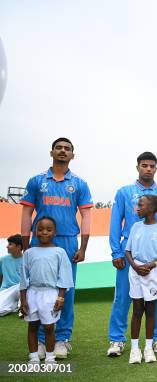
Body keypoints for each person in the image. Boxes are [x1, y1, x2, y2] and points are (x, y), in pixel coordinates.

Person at [21, 137, 93, 359]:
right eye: (59, 148)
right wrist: (26, 244)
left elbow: (86, 214)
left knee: (65, 292)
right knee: (38, 290)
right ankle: (42, 341)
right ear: (51, 152)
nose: (63, 151)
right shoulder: (36, 181)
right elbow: (26, 213)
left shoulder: (79, 183)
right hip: (38, 242)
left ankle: (62, 339)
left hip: (68, 241)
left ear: (73, 155)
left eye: (67, 149)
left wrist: (83, 247)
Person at [107, 152, 157, 357]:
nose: (148, 168)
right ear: (137, 167)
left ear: (156, 168)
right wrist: (116, 252)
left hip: (156, 259)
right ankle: (117, 340)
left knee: (155, 300)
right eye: (144, 165)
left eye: (152, 166)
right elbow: (115, 223)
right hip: (129, 256)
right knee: (123, 298)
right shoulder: (124, 192)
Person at [124, 195, 157, 364]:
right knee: (137, 310)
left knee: (151, 310)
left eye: (141, 205)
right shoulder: (135, 227)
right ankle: (134, 349)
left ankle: (148, 348)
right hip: (136, 272)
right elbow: (128, 251)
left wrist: (153, 264)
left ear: (153, 209)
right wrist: (135, 266)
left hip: (153, 272)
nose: (137, 208)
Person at [19, 216, 73, 365]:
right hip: (32, 293)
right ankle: (34, 358)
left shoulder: (59, 252)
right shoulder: (29, 253)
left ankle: (50, 358)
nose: (44, 232)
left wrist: (61, 297)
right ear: (35, 232)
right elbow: (24, 278)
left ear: (55, 232)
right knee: (33, 326)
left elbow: (65, 276)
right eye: (40, 229)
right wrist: (23, 299)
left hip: (50, 294)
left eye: (49, 230)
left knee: (49, 327)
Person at [0, 234, 23, 316]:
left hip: (22, 289)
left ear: (18, 247)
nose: (7, 246)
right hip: (7, 290)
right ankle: (14, 306)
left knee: (22, 284)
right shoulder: (2, 260)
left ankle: (22, 309)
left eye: (10, 244)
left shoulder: (27, 260)